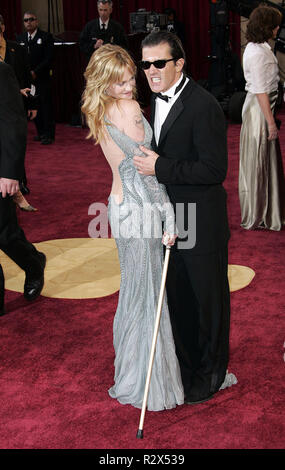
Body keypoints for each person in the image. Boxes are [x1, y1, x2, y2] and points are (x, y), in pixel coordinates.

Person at [133, 31, 237, 404]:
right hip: (169, 221)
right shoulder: (153, 101)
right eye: (145, 64)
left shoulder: (204, 105)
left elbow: (214, 169)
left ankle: (212, 373)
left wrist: (161, 166)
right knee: (177, 295)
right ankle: (188, 365)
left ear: (180, 63)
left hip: (201, 218)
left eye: (159, 63)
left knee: (208, 299)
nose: (151, 70)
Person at [81, 44, 184, 411]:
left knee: (135, 289)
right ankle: (149, 383)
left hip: (118, 207)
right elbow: (151, 175)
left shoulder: (99, 111)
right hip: (141, 209)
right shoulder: (128, 111)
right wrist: (171, 219)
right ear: (104, 83)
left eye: (129, 79)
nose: (128, 87)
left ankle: (133, 374)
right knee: (147, 292)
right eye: (119, 82)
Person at [0, 61, 46, 316]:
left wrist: (9, 172)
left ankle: (33, 263)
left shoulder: (1, 70)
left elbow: (12, 121)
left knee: (4, 233)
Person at [239, 5, 285, 231]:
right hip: (259, 112)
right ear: (267, 26)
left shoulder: (258, 47)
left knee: (264, 161)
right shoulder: (257, 52)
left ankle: (268, 210)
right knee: (258, 162)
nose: (278, 28)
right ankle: (258, 213)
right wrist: (270, 123)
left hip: (261, 109)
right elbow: (260, 91)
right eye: (275, 24)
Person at [0, 13, 37, 210]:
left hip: (15, 108)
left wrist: (32, 103)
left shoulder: (16, 49)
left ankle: (18, 184)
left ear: (3, 27)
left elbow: (26, 78)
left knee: (12, 145)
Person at [17, 11, 55, 145]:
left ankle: (49, 134)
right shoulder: (20, 38)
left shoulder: (46, 37)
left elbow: (48, 58)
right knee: (34, 104)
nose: (28, 22)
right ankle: (40, 132)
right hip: (28, 80)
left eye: (31, 19)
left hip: (42, 78)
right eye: (26, 20)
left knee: (46, 105)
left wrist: (36, 71)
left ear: (36, 21)